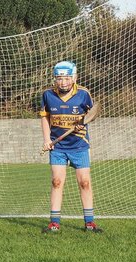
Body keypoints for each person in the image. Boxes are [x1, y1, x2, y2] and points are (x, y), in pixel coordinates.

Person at [39, 60, 102, 233]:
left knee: (85, 182)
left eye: (66, 78)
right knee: (57, 181)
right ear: (55, 79)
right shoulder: (47, 95)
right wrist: (46, 139)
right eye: (59, 78)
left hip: (79, 145)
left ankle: (90, 223)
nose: (63, 82)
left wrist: (82, 123)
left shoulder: (83, 94)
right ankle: (54, 223)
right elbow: (45, 117)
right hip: (57, 146)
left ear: (74, 78)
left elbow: (93, 112)